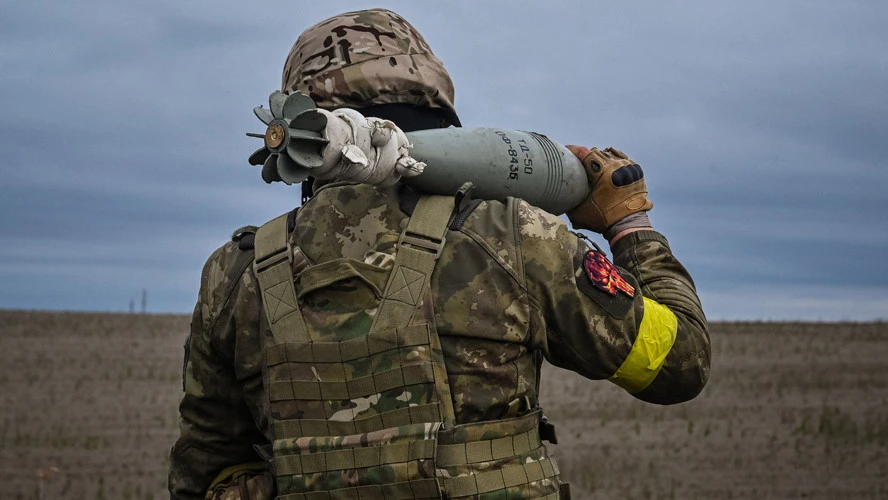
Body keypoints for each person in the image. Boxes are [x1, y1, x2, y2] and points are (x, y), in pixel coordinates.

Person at [169, 8, 710, 500]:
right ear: (435, 102)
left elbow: (206, 468)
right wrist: (630, 223)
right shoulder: (512, 236)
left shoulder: (235, 271)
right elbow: (678, 365)